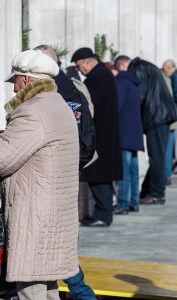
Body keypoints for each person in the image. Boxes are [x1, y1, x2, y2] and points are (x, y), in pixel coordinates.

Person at [0, 49, 80, 300]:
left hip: (35, 216)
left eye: (15, 80)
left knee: (30, 290)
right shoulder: (57, 104)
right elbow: (26, 145)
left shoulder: (32, 111)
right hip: (53, 214)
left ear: (26, 79)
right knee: (46, 289)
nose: (14, 89)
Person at [33, 44, 96, 300]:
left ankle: (82, 293)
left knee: (56, 244)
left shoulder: (56, 92)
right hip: (67, 174)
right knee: (60, 244)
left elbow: (81, 136)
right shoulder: (72, 87)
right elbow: (87, 138)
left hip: (52, 178)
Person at [71, 47, 122, 227]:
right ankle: (102, 213)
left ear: (87, 61)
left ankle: (102, 215)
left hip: (101, 136)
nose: (80, 71)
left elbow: (89, 103)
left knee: (99, 176)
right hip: (105, 135)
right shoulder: (104, 74)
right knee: (101, 176)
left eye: (79, 66)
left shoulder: (97, 77)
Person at [128, 57, 177, 204]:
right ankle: (148, 191)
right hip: (161, 115)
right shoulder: (150, 68)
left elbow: (140, 95)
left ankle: (157, 193)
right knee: (158, 156)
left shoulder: (138, 69)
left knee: (156, 157)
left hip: (156, 116)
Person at [112, 56, 144, 214]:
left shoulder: (121, 83)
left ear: (119, 66)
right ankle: (134, 202)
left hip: (123, 132)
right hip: (135, 132)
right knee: (133, 169)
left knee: (123, 170)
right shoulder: (134, 83)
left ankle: (123, 203)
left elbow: (116, 106)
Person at [161, 59, 177, 185]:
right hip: (172, 119)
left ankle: (166, 175)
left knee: (167, 148)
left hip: (170, 120)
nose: (164, 70)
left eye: (165, 68)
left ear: (170, 68)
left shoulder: (172, 79)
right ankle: (167, 175)